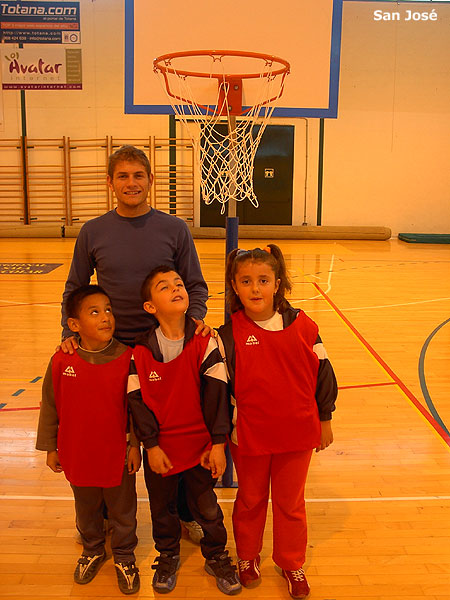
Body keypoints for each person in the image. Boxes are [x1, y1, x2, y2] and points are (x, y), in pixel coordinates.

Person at [60, 144, 209, 541]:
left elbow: (196, 286)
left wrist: (191, 324)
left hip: (165, 350)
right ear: (110, 183)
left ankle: (183, 512)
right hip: (112, 350)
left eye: (138, 175)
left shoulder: (174, 228)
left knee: (172, 431)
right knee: (111, 433)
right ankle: (106, 515)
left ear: (150, 181)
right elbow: (75, 288)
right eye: (123, 176)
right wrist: (69, 332)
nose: (131, 183)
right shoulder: (93, 231)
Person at [217, 245, 338, 600]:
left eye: (263, 280)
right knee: (251, 500)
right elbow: (219, 395)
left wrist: (325, 418)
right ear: (234, 287)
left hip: (298, 433)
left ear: (277, 284)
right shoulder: (227, 335)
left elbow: (324, 375)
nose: (255, 289)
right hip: (249, 436)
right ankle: (247, 557)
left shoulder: (305, 326)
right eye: (246, 281)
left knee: (290, 502)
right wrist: (221, 438)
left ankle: (290, 561)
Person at [127, 266, 241, 595]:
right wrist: (152, 445)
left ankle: (217, 555)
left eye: (178, 283)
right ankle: (167, 555)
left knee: (206, 507)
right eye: (164, 287)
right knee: (162, 509)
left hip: (201, 447)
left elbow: (218, 396)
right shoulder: (142, 350)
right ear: (150, 306)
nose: (176, 288)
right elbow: (137, 402)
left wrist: (218, 443)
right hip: (161, 449)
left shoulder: (205, 341)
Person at [36, 285, 141, 595]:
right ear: (74, 325)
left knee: (123, 510)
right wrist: (51, 447)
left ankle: (124, 556)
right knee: (86, 508)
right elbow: (50, 405)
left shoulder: (128, 358)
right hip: (76, 452)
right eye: (94, 312)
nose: (105, 317)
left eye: (108, 310)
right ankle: (93, 549)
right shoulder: (60, 361)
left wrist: (135, 444)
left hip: (117, 454)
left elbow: (136, 410)